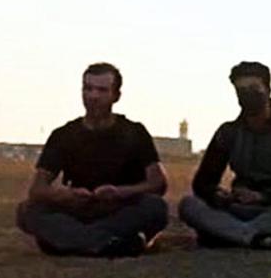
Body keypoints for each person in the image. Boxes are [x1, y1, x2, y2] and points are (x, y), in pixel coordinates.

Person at [16, 62, 169, 257]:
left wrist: (120, 192)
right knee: (27, 211)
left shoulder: (134, 132)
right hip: (78, 210)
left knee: (155, 207)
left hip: (120, 209)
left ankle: (73, 241)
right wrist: (66, 196)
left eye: (102, 90)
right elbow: (37, 189)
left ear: (116, 96)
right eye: (88, 89)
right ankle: (108, 244)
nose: (93, 96)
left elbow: (158, 184)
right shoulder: (64, 135)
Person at [179, 61, 271, 250]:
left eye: (254, 89)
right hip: (237, 208)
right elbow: (203, 182)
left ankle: (232, 235)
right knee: (189, 205)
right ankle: (256, 237)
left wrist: (262, 197)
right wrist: (218, 195)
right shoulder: (228, 132)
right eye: (241, 90)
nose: (248, 96)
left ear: (268, 89)